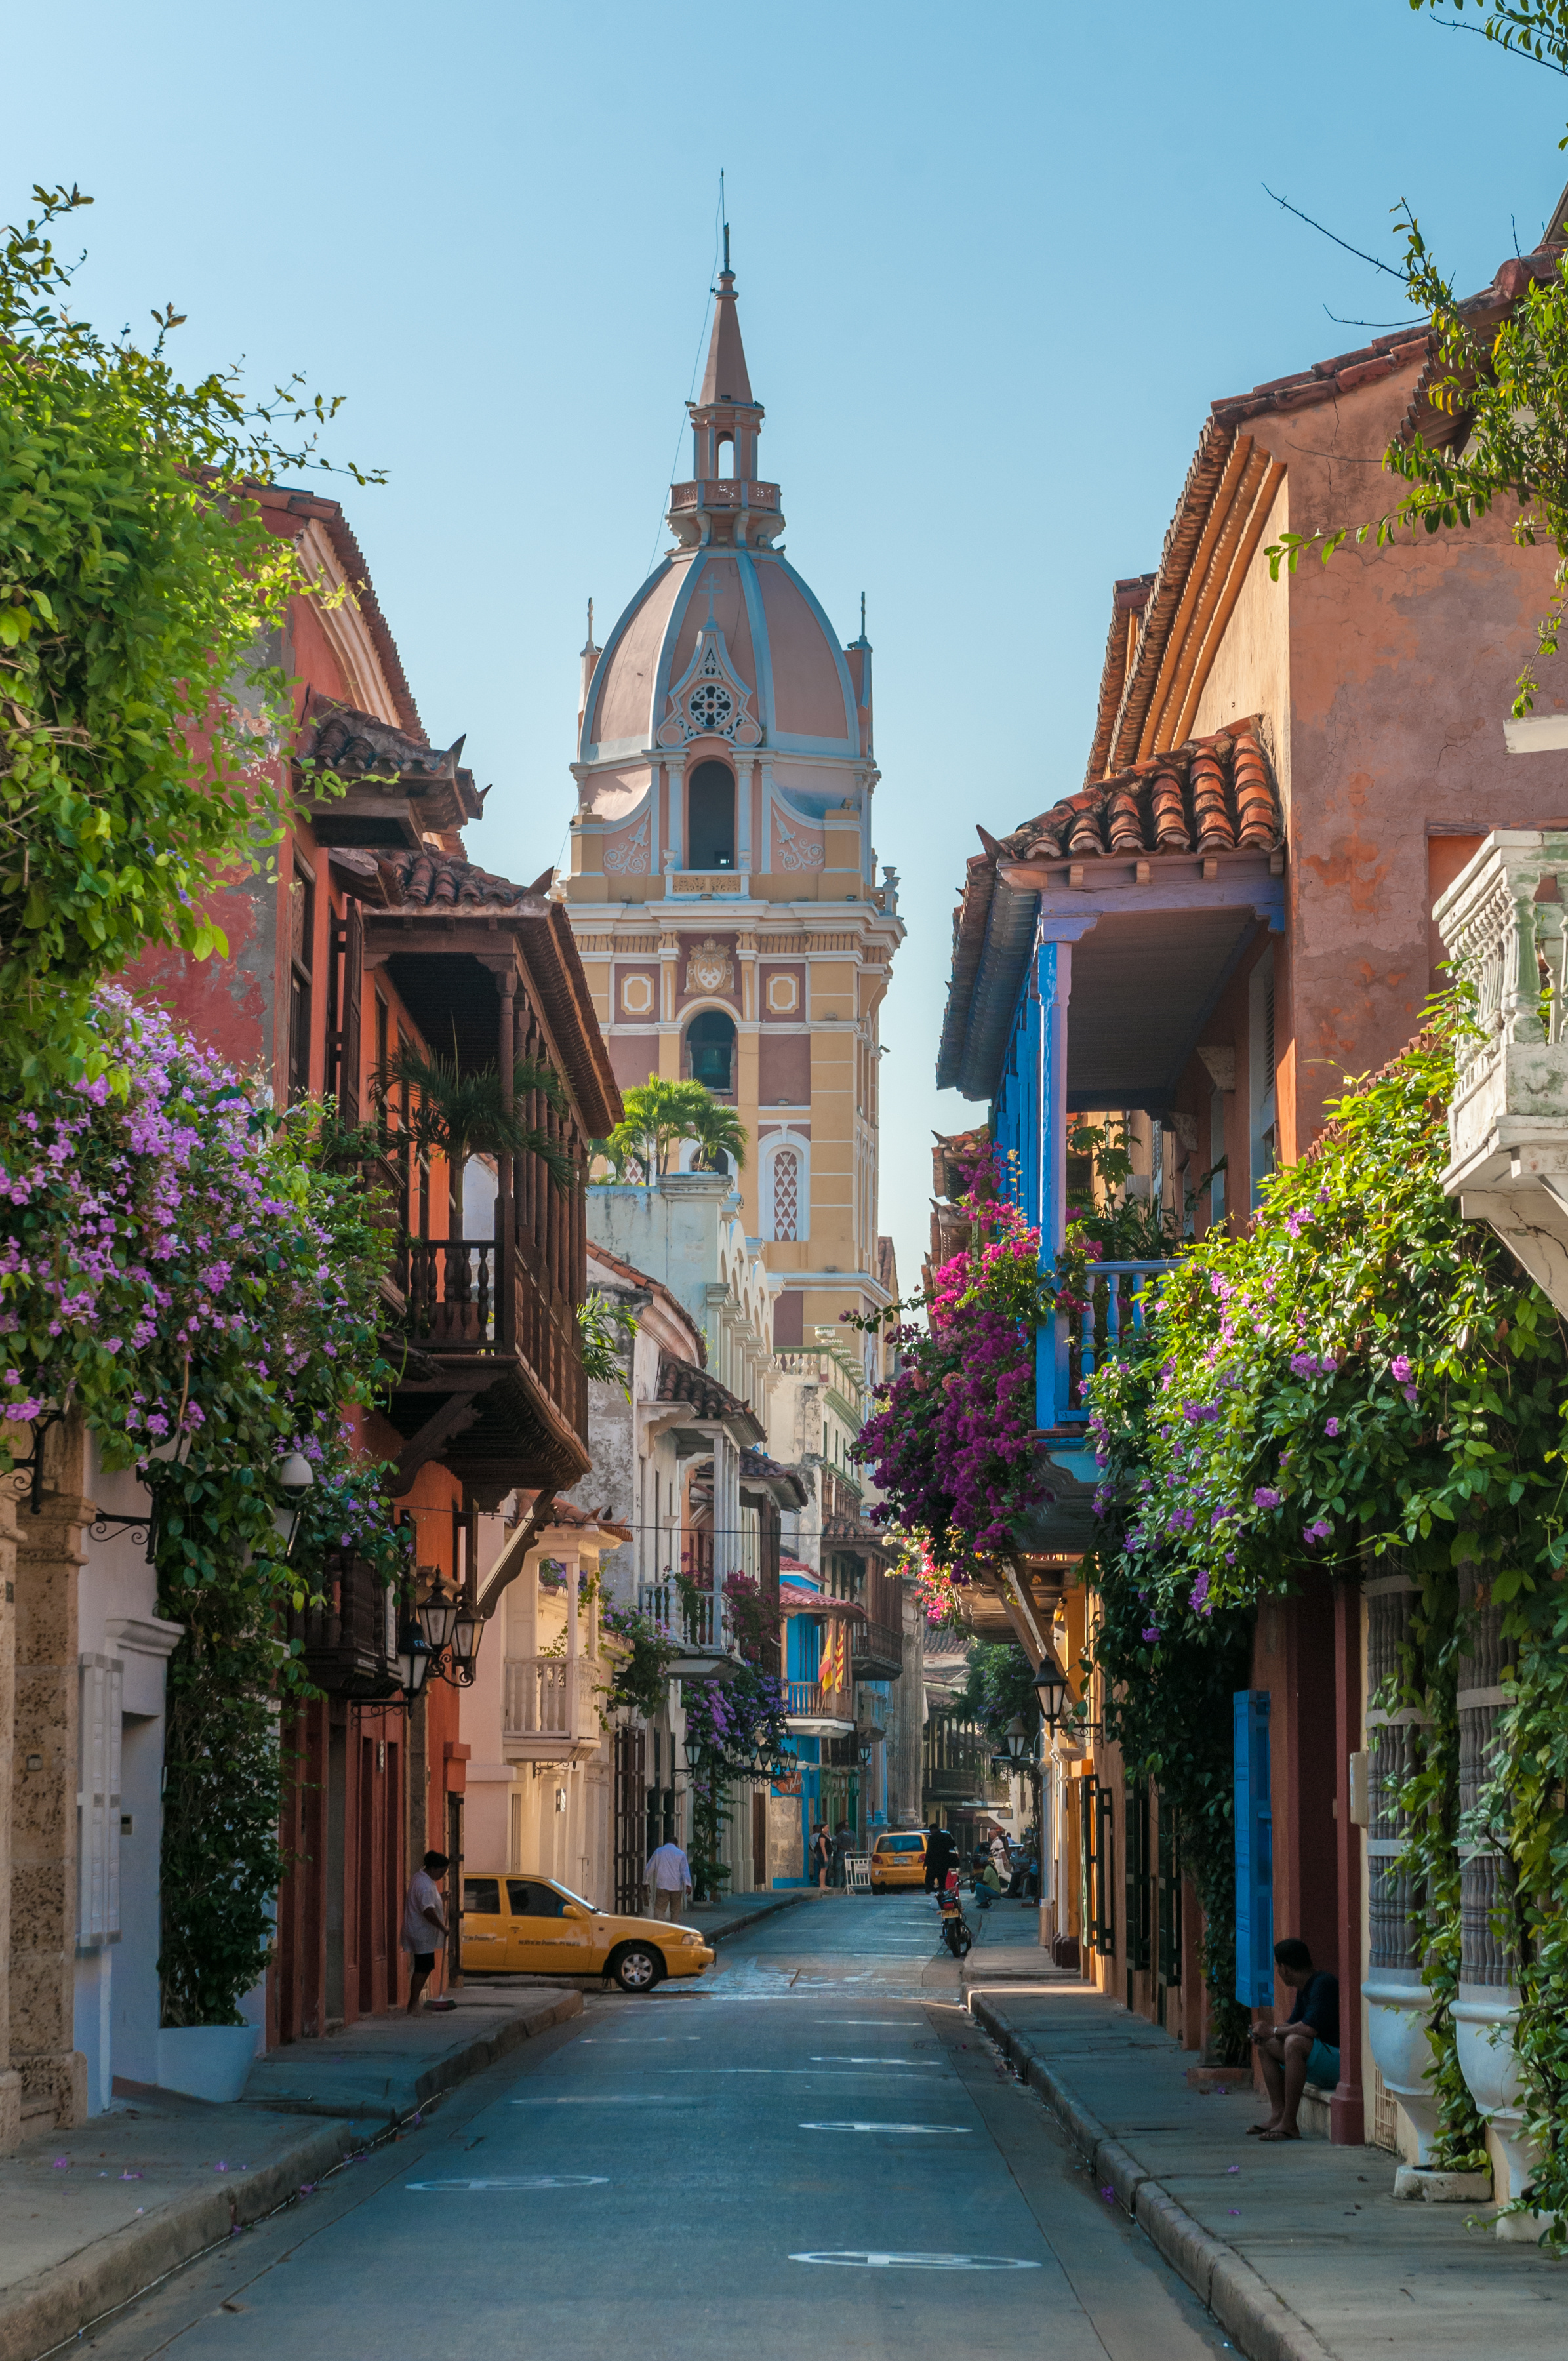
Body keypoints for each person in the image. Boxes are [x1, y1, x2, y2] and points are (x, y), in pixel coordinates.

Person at [1248, 1937, 1340, 2141]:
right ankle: (1278, 2116)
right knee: (1265, 2045)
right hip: (1321, 2060)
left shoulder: (1323, 1984)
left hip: (1338, 2063)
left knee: (1294, 2043)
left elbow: (1308, 2029)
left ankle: (1289, 2123)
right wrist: (1264, 2032)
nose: (1277, 1971)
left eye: (1277, 1966)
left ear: (1285, 1968)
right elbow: (1292, 2024)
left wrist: (1272, 2030)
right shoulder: (1304, 1989)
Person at [402, 1849, 451, 2013]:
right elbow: (428, 1911)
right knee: (423, 1967)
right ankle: (413, 2004)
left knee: (425, 1966)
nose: (442, 1876)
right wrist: (442, 1927)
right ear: (433, 1868)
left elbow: (429, 1901)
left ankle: (414, 2003)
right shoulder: (424, 1885)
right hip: (421, 1932)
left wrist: (441, 1897)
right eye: (442, 1872)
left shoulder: (421, 1878)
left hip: (419, 1930)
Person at [644, 1837, 693, 1921]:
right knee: (675, 1910)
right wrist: (688, 1885)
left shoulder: (659, 1852)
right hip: (676, 1887)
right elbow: (685, 1871)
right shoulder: (681, 1854)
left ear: (666, 1843)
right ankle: (674, 1927)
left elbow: (649, 1868)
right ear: (676, 1844)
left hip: (662, 1886)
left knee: (659, 1909)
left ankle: (661, 1926)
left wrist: (646, 1881)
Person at [923, 1819, 957, 1895]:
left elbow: (929, 1851)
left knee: (929, 1879)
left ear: (932, 1830)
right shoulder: (947, 1836)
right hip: (945, 1862)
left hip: (933, 1863)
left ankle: (931, 1891)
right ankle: (942, 1891)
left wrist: (926, 1863)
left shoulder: (932, 1838)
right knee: (942, 1879)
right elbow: (954, 1845)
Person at [832, 1821, 854, 1889]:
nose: (847, 1828)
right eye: (846, 1826)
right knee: (846, 1870)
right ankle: (844, 1884)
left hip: (841, 1854)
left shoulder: (841, 1834)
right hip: (846, 1854)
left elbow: (837, 1844)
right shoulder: (848, 1834)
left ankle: (839, 1884)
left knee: (839, 1869)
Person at [811, 1822, 834, 1889]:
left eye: (828, 1828)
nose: (828, 1829)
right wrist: (825, 1856)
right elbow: (822, 1847)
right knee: (823, 1869)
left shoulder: (827, 1836)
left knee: (825, 1869)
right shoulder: (822, 1836)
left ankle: (824, 1884)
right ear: (823, 1829)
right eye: (826, 1828)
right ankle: (822, 1885)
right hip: (822, 1855)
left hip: (829, 1854)